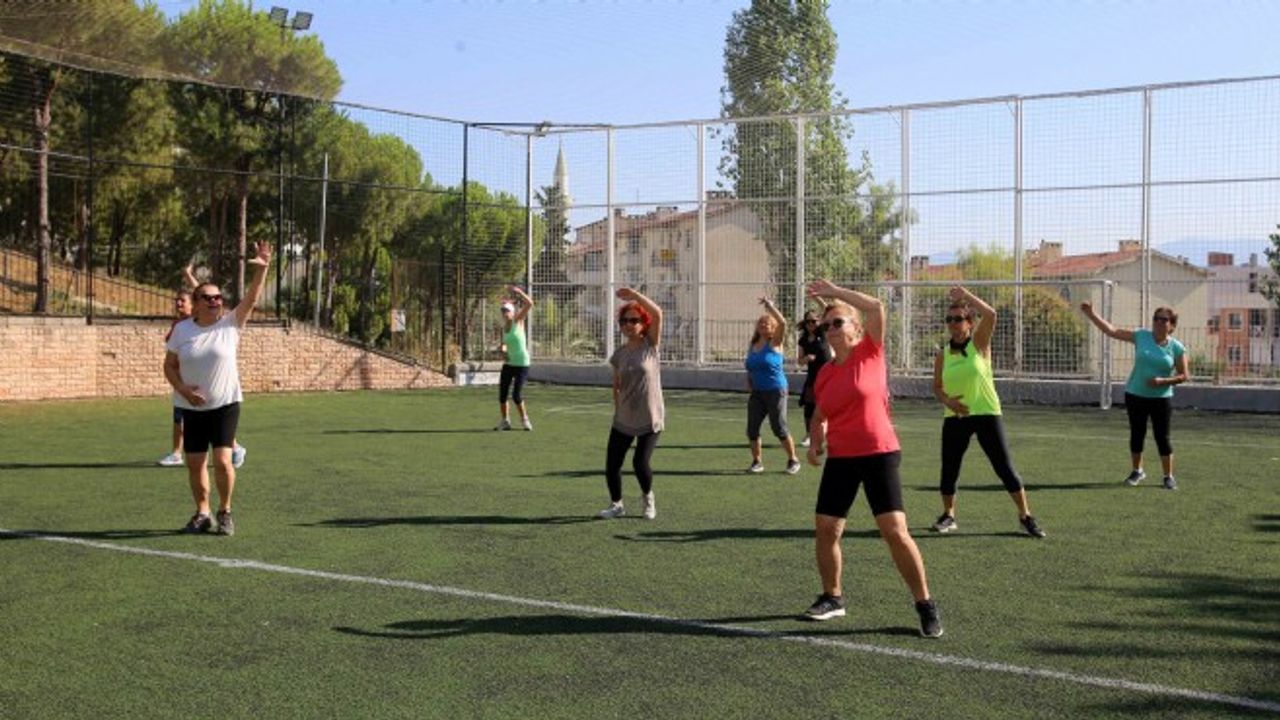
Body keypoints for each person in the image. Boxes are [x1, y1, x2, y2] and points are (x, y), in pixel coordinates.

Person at [803, 279, 942, 638]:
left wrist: (835, 292)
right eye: (826, 325)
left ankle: (925, 604)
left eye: (838, 322)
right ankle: (833, 597)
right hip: (842, 458)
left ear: (855, 327)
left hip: (879, 453)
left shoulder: (871, 352)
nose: (830, 329)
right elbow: (819, 416)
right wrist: (815, 444)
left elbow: (876, 307)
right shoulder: (826, 374)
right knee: (826, 529)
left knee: (894, 532)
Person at [163, 241, 271, 536]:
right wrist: (183, 390)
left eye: (218, 297)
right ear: (196, 302)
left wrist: (262, 270)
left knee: (223, 462)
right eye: (208, 298)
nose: (214, 301)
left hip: (225, 405)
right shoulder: (182, 330)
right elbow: (169, 366)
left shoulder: (230, 324)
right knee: (195, 463)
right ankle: (203, 513)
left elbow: (251, 298)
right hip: (191, 406)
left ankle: (225, 511)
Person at [930, 286, 1045, 538]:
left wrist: (966, 295)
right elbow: (937, 387)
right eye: (949, 319)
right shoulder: (942, 355)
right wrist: (948, 402)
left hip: (986, 413)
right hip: (955, 416)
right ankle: (948, 515)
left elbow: (991, 314)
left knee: (1004, 467)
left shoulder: (979, 343)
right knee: (949, 469)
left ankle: (1025, 516)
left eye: (958, 319)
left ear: (969, 323)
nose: (953, 323)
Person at [1080, 301, 1189, 490]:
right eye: (1156, 318)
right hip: (1135, 394)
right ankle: (1137, 471)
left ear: (1171, 324)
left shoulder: (1177, 347)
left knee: (1162, 437)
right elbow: (1112, 331)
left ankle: (1168, 476)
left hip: (1161, 398)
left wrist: (1162, 381)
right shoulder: (1141, 336)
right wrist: (1091, 314)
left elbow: (1184, 376)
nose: (1159, 322)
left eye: (1164, 319)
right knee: (1137, 434)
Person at [158, 264, 246, 469]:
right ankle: (177, 452)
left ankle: (231, 447)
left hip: (205, 390)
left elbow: (204, 294)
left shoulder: (207, 322)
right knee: (181, 421)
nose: (178, 304)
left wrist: (190, 276)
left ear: (193, 305)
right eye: (177, 301)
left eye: (183, 301)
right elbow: (170, 363)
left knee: (188, 421)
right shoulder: (181, 327)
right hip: (185, 384)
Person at [597, 287, 664, 521]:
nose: (628, 325)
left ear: (643, 324)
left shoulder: (651, 346)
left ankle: (648, 499)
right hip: (624, 417)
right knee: (612, 464)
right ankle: (617, 505)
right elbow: (616, 385)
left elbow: (658, 313)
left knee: (639, 462)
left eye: (634, 320)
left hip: (650, 415)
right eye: (624, 321)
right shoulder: (619, 354)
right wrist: (618, 411)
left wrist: (635, 296)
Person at [744, 297, 801, 474]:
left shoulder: (775, 343)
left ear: (773, 327)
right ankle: (757, 461)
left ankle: (793, 459)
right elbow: (750, 368)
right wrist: (750, 384)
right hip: (757, 392)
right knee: (752, 428)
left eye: (767, 323)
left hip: (776, 390)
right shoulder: (753, 345)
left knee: (778, 427)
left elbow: (783, 322)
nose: (763, 325)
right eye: (761, 323)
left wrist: (770, 307)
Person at [494, 285, 535, 431]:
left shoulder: (518, 321)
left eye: (507, 311)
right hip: (509, 364)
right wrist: (502, 350)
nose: (505, 313)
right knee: (502, 395)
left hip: (522, 364)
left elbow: (529, 303)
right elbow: (504, 344)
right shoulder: (504, 328)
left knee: (516, 395)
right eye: (503, 311)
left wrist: (519, 292)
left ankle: (525, 420)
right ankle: (505, 421)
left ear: (513, 312)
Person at [795, 308, 829, 449]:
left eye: (814, 321)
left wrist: (819, 299)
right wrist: (806, 359)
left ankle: (828, 433)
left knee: (827, 405)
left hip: (828, 375)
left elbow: (828, 310)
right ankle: (809, 434)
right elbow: (799, 361)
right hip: (813, 376)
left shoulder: (824, 333)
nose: (811, 324)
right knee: (809, 406)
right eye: (808, 321)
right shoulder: (803, 340)